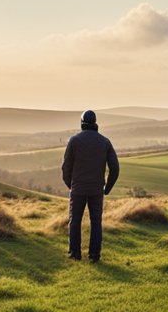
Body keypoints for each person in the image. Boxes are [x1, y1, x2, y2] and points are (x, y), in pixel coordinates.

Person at [61, 109, 119, 262]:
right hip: (96, 190)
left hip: (78, 189)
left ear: (82, 123)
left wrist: (71, 185)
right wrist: (107, 189)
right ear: (95, 123)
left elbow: (66, 167)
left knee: (74, 221)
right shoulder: (105, 142)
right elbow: (115, 168)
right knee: (96, 222)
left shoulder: (74, 141)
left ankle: (74, 254)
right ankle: (94, 255)